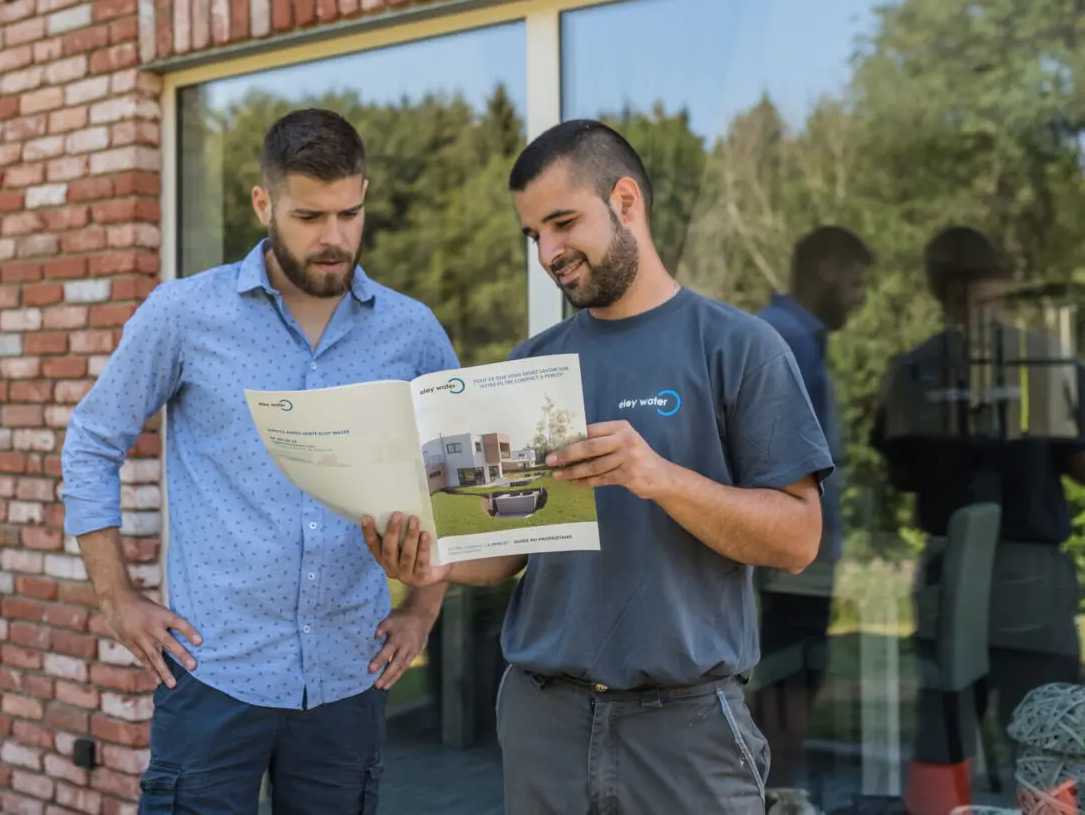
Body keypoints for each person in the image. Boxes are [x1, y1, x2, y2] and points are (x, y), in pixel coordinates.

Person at [363, 118, 836, 815]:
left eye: (562, 223)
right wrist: (435, 561)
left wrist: (660, 478)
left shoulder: (741, 347)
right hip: (542, 723)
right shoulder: (530, 363)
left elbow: (798, 539)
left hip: (685, 729)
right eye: (534, 235)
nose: (549, 253)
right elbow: (509, 551)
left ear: (625, 201)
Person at [61, 108, 456, 815]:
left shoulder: (412, 331)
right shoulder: (184, 314)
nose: (334, 238)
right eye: (309, 216)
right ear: (262, 204)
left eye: (350, 213)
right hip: (213, 674)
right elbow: (92, 440)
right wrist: (117, 599)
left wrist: (422, 610)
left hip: (347, 678)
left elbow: (452, 477)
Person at [870, 225, 1084, 775]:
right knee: (1047, 738)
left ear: (937, 289)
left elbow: (898, 472)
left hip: (952, 567)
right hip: (1027, 575)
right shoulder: (1044, 363)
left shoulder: (916, 369)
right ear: (1001, 281)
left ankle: (942, 808)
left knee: (943, 733)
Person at [752, 226, 874, 808]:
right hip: (790, 559)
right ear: (826, 270)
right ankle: (774, 797)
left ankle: (775, 794)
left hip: (799, 556)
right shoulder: (785, 343)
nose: (860, 298)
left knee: (790, 679)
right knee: (789, 683)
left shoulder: (796, 339)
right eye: (856, 284)